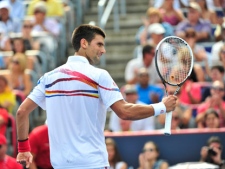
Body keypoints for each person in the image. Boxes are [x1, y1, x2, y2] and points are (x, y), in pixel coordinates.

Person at [15, 24, 177, 169]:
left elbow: (22, 112)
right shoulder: (98, 75)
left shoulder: (48, 78)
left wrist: (23, 150)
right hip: (92, 163)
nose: (103, 50)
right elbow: (124, 112)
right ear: (84, 43)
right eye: (99, 44)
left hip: (60, 165)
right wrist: (162, 107)